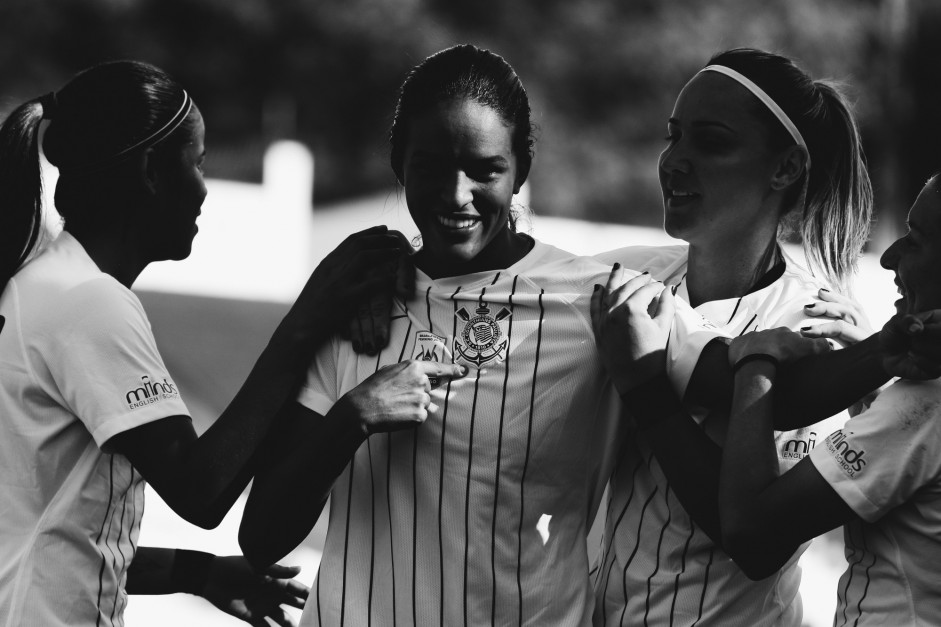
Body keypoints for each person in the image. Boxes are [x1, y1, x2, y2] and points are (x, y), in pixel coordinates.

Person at [237, 44, 736, 627]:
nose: (455, 194)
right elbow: (262, 536)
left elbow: (737, 385)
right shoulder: (358, 306)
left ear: (521, 169)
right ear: (399, 163)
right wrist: (353, 419)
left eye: (485, 169)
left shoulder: (598, 302)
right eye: (429, 166)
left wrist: (820, 355)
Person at [0, 60, 407, 627]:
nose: (203, 189)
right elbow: (201, 490)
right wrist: (308, 323)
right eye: (197, 163)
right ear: (150, 170)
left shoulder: (39, 284)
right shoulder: (88, 302)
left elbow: (53, 532)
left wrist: (200, 574)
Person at [590, 48, 877, 626]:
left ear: (785, 168)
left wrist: (649, 388)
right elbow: (505, 282)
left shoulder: (814, 328)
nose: (674, 161)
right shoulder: (628, 274)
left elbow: (758, 541)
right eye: (673, 137)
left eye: (711, 142)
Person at [716, 172, 941, 625]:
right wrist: (872, 367)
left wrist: (754, 367)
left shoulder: (924, 406)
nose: (890, 257)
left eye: (915, 240)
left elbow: (752, 532)